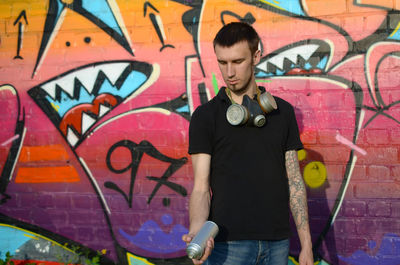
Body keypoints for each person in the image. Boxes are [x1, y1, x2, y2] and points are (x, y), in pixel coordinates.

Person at [182, 22, 313, 265]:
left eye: (237, 62)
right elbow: (201, 188)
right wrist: (198, 231)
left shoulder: (282, 113)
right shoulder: (206, 116)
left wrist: (306, 244)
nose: (229, 72)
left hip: (277, 243)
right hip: (227, 247)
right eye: (223, 62)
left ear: (256, 57)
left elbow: (294, 182)